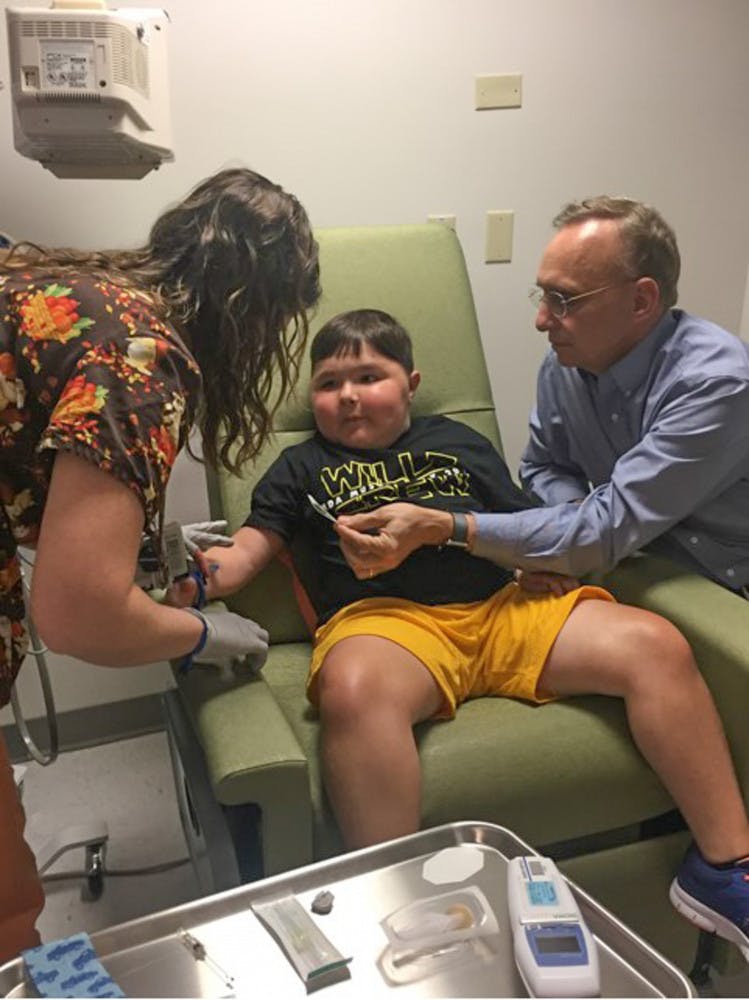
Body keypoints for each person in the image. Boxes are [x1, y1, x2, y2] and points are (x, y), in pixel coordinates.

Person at [177, 308, 749, 954]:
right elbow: (245, 553)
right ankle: (394, 906)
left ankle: (724, 868)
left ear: (411, 384)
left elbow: (524, 524)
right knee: (353, 691)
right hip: (386, 625)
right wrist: (196, 580)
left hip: (501, 608)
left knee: (652, 644)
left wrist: (538, 567)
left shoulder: (458, 443)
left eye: (369, 376)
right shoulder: (300, 468)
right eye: (329, 383)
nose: (348, 395)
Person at [0, 166, 320, 963]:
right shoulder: (141, 357)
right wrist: (198, 634)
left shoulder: (63, 289)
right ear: (255, 314)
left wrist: (137, 552)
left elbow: (24, 449)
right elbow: (78, 614)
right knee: (7, 903)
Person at [335, 196, 749, 593]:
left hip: (719, 584)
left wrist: (451, 527)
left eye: (564, 299)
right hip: (629, 563)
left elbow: (607, 528)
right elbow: (543, 465)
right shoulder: (566, 363)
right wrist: (573, 517)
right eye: (543, 295)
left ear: (641, 300)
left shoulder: (715, 383)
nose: (541, 320)